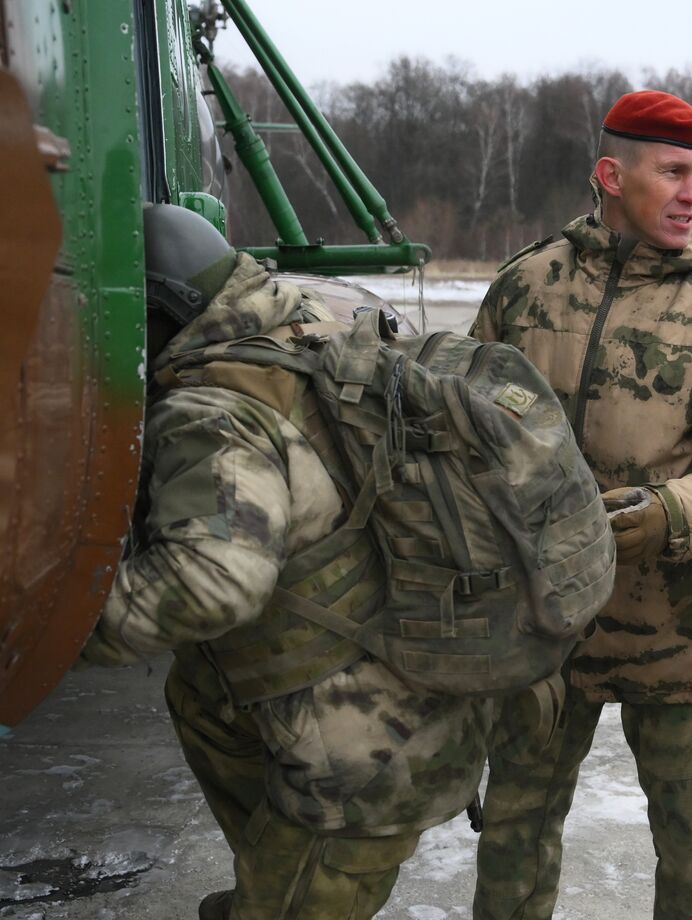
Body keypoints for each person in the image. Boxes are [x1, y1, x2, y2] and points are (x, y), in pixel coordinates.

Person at [80, 203, 497, 920]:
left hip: (361, 764)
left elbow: (210, 585)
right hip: (415, 683)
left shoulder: (216, 407)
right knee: (199, 694)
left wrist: (56, 634)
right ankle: (273, 880)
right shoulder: (316, 324)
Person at [469, 89, 692, 920]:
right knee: (515, 823)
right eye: (672, 171)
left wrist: (672, 513)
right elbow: (463, 428)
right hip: (544, 627)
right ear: (610, 176)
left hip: (679, 628)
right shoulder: (526, 287)